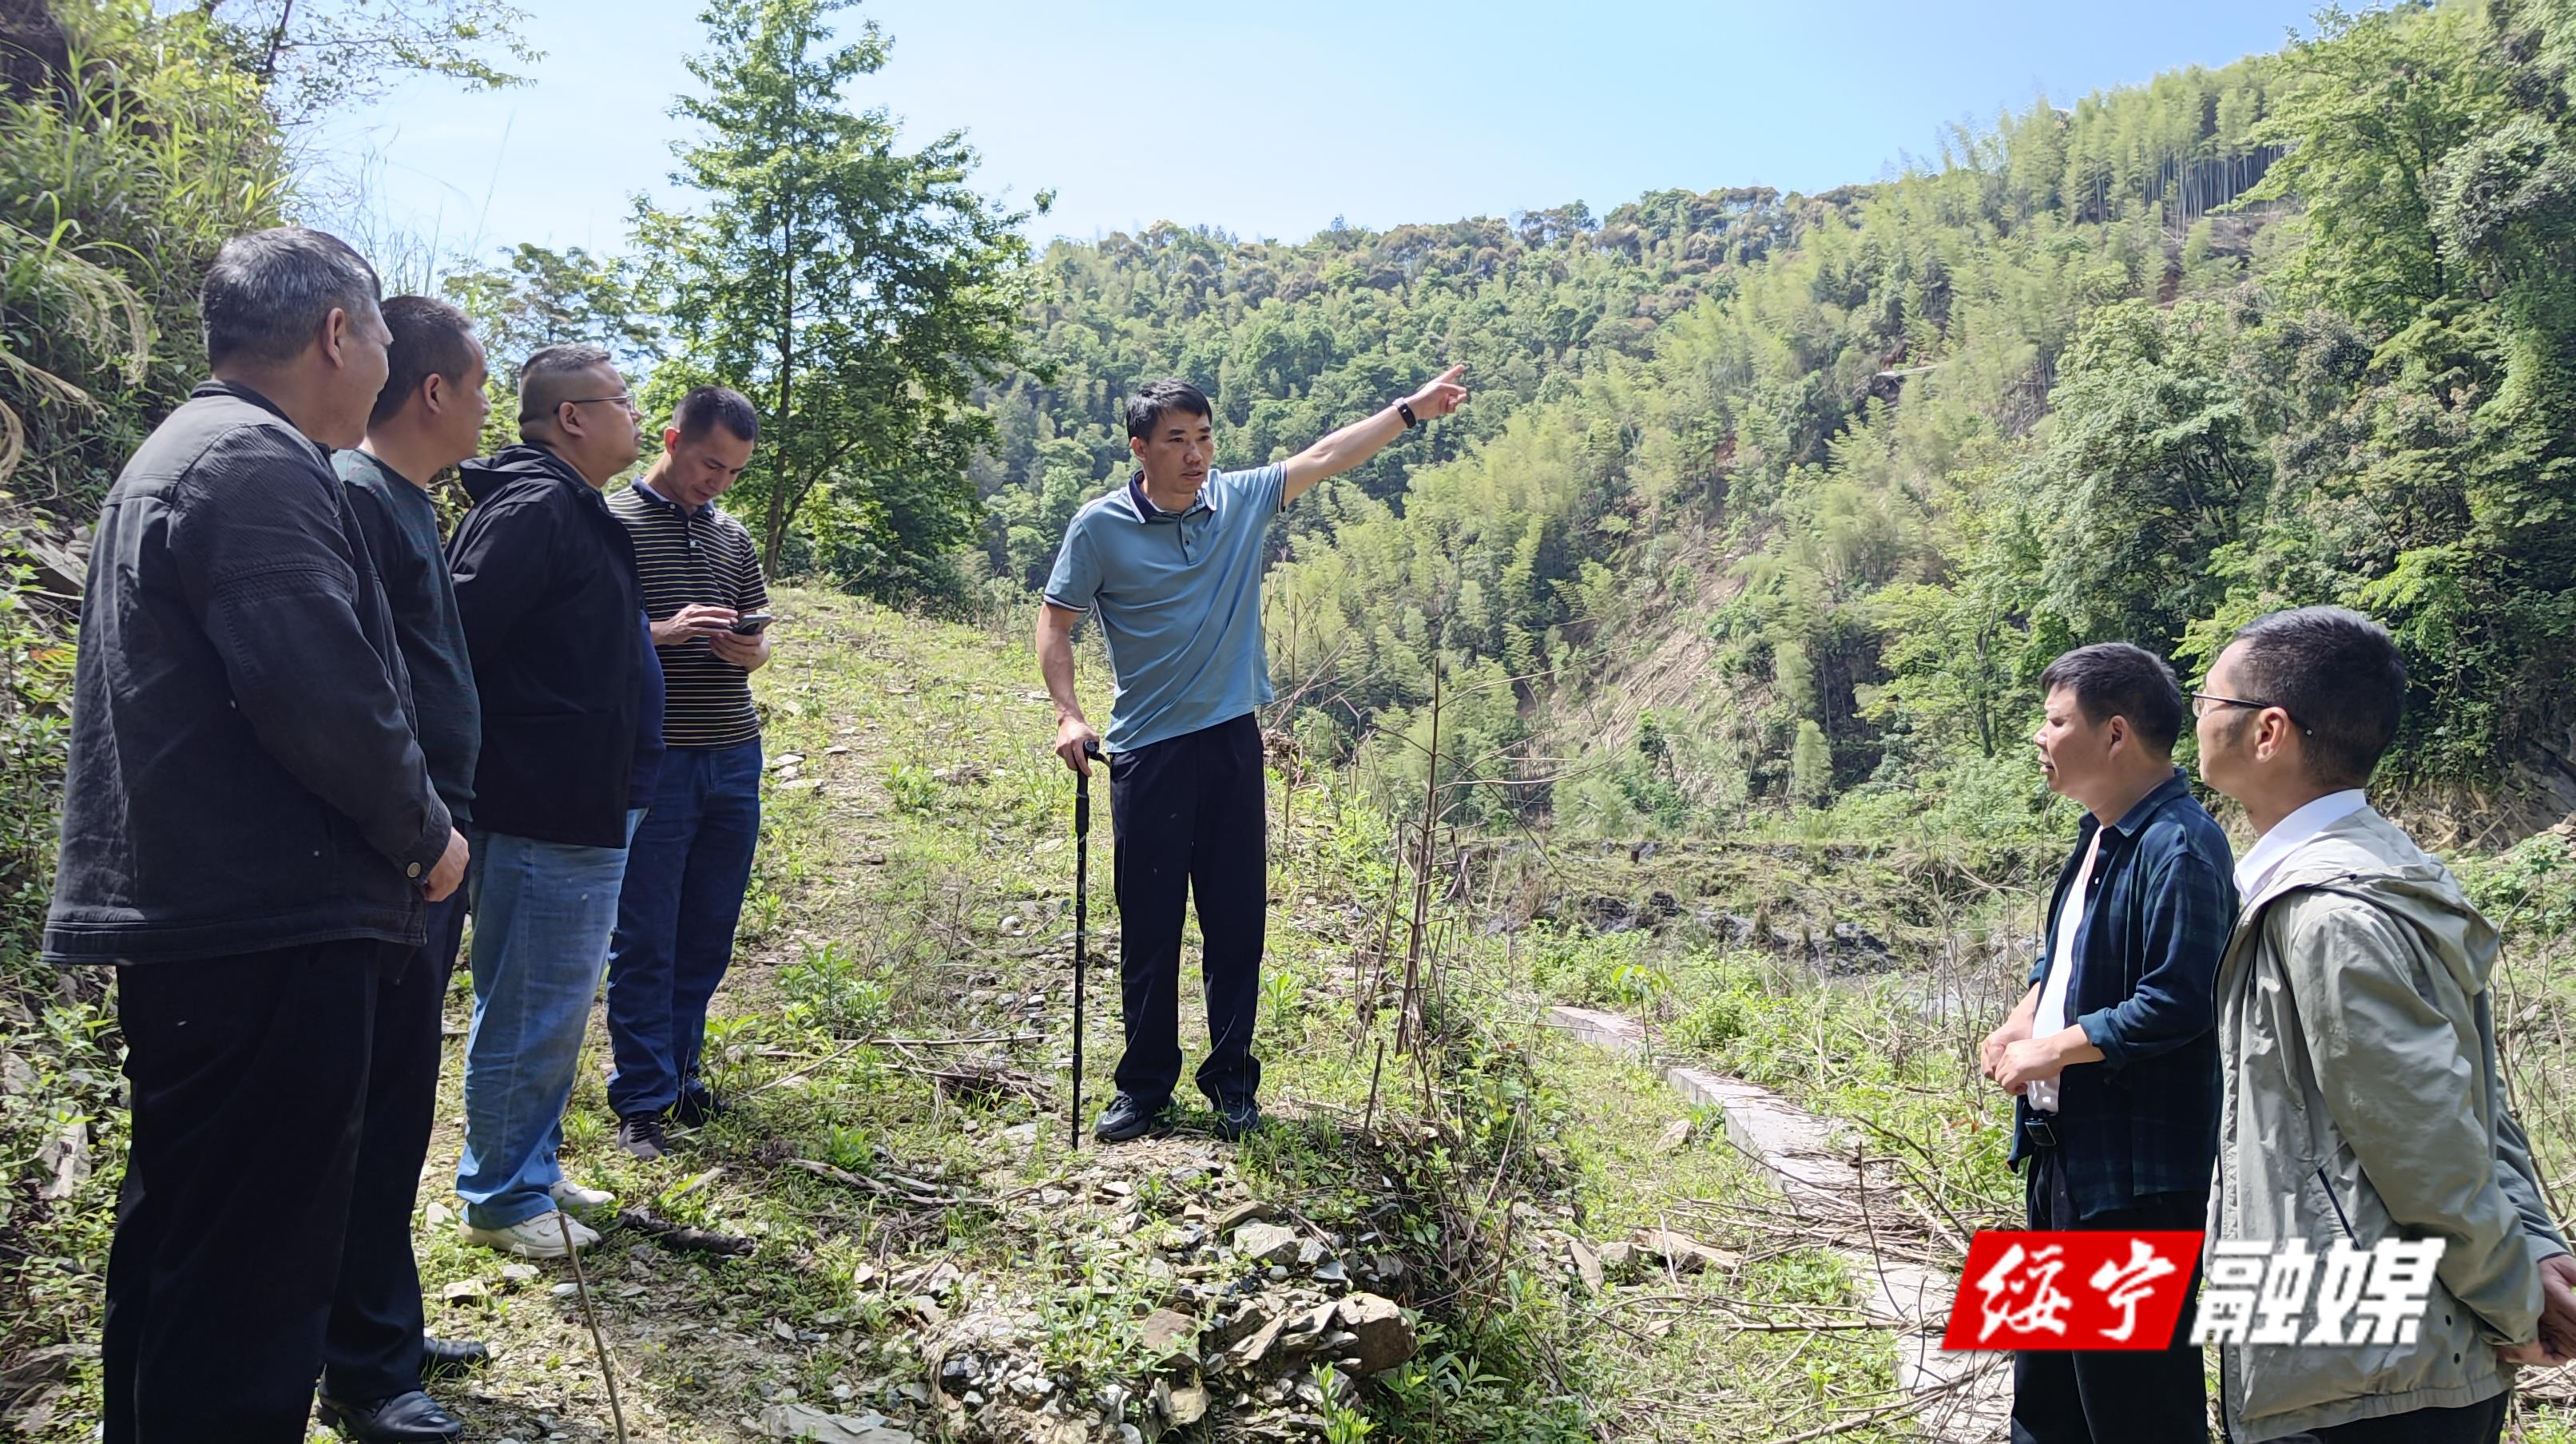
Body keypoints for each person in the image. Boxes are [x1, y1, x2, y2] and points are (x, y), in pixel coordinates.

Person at [45, 227, 467, 1442]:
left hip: (213, 919)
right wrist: (426, 834)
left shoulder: (201, 449)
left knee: (192, 1247)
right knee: (255, 1272)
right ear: (336, 332)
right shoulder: (255, 464)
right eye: (383, 332)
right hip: (266, 921)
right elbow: (321, 692)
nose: (388, 361)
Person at [1039, 367, 1469, 1143]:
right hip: (1146, 752)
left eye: (1205, 437)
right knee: (1150, 926)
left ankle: (1232, 1080)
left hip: (1233, 740)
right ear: (1141, 449)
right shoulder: (1098, 527)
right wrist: (1069, 716)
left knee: (1237, 921)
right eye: (1177, 441)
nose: (1197, 453)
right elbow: (1055, 623)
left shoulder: (1236, 500)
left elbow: (1329, 454)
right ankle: (1144, 1087)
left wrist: (1411, 410)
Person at [2193, 606, 2576, 1443]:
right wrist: (2536, 1246)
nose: (2194, 715)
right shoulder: (2385, 869)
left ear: (2268, 730)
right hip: (2386, 1355)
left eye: (2205, 699)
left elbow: (2426, 1140)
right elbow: (2479, 1094)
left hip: (2365, 1369)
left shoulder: (2328, 911)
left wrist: (2515, 1295)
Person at [312, 296, 494, 1442]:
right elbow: (362, 692)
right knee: (375, 1115)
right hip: (399, 860)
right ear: (433, 393)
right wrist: (419, 832)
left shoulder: (415, 506)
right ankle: (367, 1371)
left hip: (433, 846)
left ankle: (382, 1321)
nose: (486, 409)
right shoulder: (360, 502)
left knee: (399, 1106)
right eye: (478, 389)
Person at [1980, 642, 2235, 1444]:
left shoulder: (2180, 843)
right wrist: (2027, 1014)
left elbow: (2178, 998)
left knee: (2134, 1411)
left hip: (2130, 1179)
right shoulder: (2100, 835)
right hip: (2064, 1160)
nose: (2040, 736)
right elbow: (2063, 956)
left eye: (2056, 720)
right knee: (2045, 1400)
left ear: (2115, 732)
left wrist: (2051, 1052)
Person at [447, 343, 661, 1256]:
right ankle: (499, 1194)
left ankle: (530, 1163)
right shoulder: (535, 505)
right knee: (532, 1000)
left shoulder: (570, 505)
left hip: (587, 798)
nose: (636, 416)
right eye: (622, 400)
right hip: (544, 800)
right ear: (572, 416)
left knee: (559, 999)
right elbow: (450, 638)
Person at [604, 386, 772, 1160]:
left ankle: (681, 1073)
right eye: (711, 463)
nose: (719, 483)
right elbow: (590, 630)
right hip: (655, 759)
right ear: (671, 439)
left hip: (733, 753)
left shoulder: (733, 538)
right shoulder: (610, 522)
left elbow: (760, 634)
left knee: (708, 926)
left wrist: (748, 648)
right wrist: (664, 632)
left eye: (734, 472)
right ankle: (640, 1097)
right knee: (645, 930)